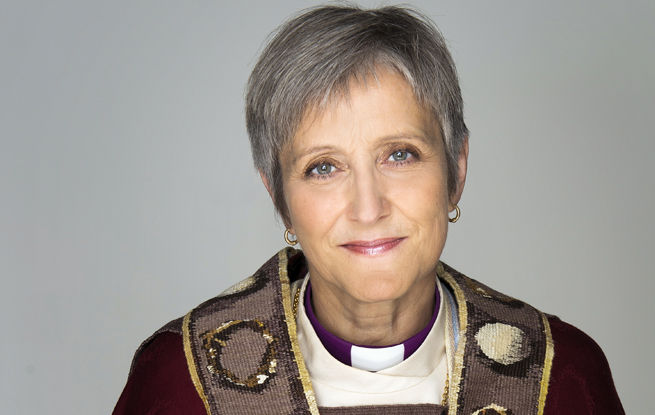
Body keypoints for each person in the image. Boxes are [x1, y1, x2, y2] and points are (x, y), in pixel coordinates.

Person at [113, 5, 624, 415]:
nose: (368, 207)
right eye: (323, 167)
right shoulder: (183, 381)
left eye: (399, 155)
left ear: (456, 169)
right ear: (279, 198)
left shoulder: (558, 377)